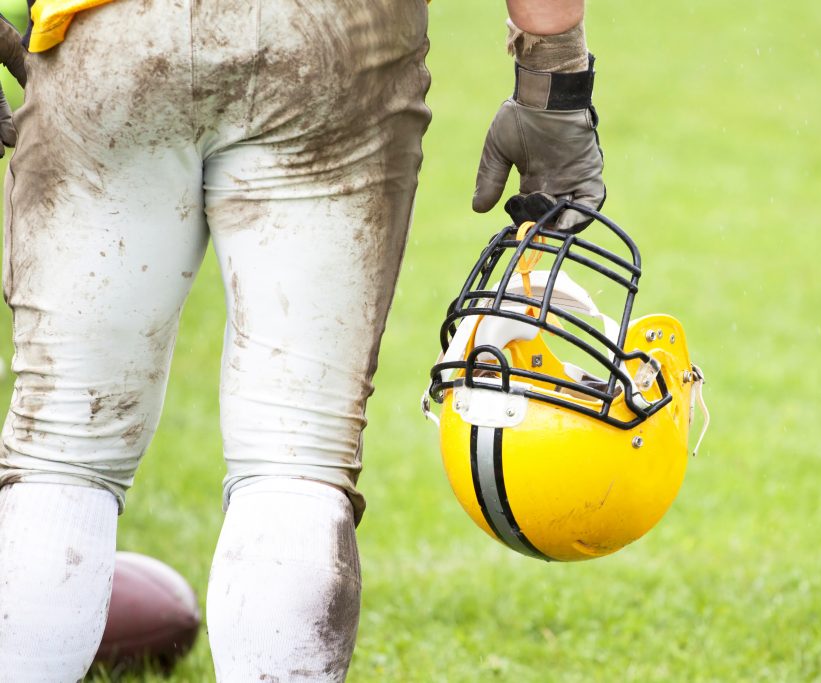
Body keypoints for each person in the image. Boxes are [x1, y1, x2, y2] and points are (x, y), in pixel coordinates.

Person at [0, 0, 604, 679]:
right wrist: (553, 75)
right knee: (295, 453)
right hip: (333, 37)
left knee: (62, 447)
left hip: (109, 32)